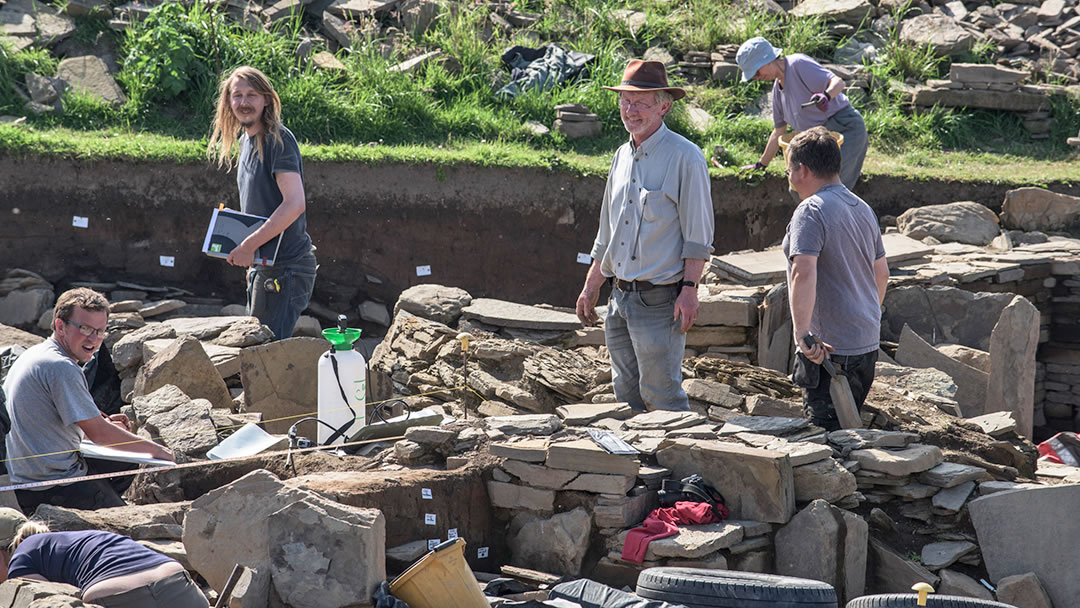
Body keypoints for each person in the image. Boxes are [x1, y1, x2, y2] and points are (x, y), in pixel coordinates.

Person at [575, 59, 714, 412]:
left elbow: (698, 236)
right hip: (619, 298)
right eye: (624, 101)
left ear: (664, 107)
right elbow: (607, 231)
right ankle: (638, 466)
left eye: (640, 102)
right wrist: (592, 286)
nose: (630, 110)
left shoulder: (686, 158)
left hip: (659, 300)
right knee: (626, 396)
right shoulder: (622, 155)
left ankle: (683, 466)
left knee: (663, 396)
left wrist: (690, 291)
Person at [3, 288, 174, 513]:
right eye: (84, 328)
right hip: (54, 486)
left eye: (100, 331)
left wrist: (106, 425)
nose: (93, 339)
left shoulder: (35, 354)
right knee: (124, 530)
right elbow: (100, 435)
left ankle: (105, 497)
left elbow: (54, 424)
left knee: (127, 461)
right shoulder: (60, 366)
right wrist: (157, 451)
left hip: (25, 481)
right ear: (60, 325)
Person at [782, 127, 889, 431]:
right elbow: (881, 274)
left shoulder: (811, 210)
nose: (789, 177)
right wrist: (863, 317)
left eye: (789, 169)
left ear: (802, 169)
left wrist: (802, 334)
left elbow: (802, 271)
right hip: (865, 344)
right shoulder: (863, 208)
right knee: (850, 435)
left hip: (826, 351)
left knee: (825, 443)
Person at [208, 65, 317, 341]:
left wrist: (249, 245)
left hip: (287, 268)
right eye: (237, 95)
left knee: (264, 357)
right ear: (228, 101)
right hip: (265, 267)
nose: (244, 102)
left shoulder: (278, 140)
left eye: (252, 95)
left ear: (266, 99)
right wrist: (254, 260)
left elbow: (295, 204)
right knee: (258, 354)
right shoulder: (247, 142)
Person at [0, 508, 208, 607]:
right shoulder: (76, 538)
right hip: (180, 585)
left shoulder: (21, 559)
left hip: (120, 597)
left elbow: (46, 600)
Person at [736, 37, 868, 191]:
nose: (757, 77)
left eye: (756, 71)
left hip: (845, 131)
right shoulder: (777, 92)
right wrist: (760, 165)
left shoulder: (797, 64)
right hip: (818, 142)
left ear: (766, 60)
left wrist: (827, 95)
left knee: (831, 190)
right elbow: (779, 132)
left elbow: (838, 82)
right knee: (797, 188)